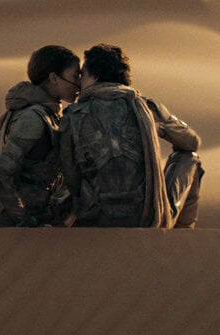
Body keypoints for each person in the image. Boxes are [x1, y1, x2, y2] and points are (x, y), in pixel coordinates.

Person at [60, 44, 204, 228]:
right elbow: (191, 142)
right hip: (148, 219)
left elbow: (71, 176)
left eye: (83, 74)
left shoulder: (73, 115)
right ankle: (178, 239)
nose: (80, 83)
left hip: (95, 219)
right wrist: (157, 129)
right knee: (189, 158)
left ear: (95, 75)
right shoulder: (146, 107)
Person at [0, 45, 81, 228]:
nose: (79, 84)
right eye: (75, 76)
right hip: (9, 224)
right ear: (53, 78)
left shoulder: (41, 113)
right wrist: (23, 219)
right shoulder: (33, 117)